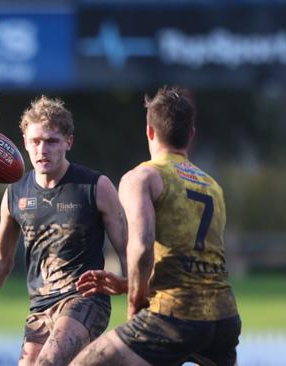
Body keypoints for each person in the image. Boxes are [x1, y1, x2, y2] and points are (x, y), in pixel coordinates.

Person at [71, 86, 241, 366]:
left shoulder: (143, 177)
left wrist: (134, 302)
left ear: (149, 132)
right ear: (191, 135)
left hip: (175, 317)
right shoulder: (212, 186)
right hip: (224, 319)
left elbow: (141, 246)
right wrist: (128, 284)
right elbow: (191, 265)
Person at [0, 96, 128, 365]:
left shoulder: (96, 186)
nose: (42, 150)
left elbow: (128, 249)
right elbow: (0, 260)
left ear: (68, 142)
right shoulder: (15, 193)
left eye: (52, 141)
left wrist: (136, 297)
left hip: (85, 302)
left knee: (48, 362)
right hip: (40, 307)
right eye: (35, 141)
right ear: (24, 142)